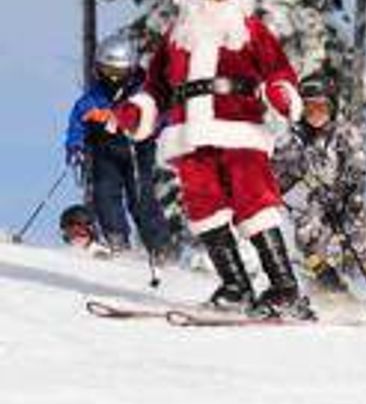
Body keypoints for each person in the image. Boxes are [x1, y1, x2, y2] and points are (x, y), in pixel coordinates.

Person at [106, 0, 313, 319]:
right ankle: (236, 287)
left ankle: (285, 290)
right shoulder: (177, 36)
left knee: (254, 204)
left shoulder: (250, 30)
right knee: (204, 208)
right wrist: (136, 111)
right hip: (189, 136)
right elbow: (156, 88)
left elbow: (277, 71)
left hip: (239, 132)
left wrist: (282, 93)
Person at [272, 70, 366, 294]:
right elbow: (278, 173)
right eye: (309, 108)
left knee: (357, 234)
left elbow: (358, 165)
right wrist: (286, 185)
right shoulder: (295, 141)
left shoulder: (344, 133)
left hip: (344, 200)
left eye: (321, 107)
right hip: (313, 202)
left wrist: (345, 192)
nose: (315, 114)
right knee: (306, 234)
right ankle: (331, 288)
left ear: (332, 107)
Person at [64, 34, 171, 255]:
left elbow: (161, 117)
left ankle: (158, 247)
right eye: (107, 71)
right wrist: (75, 147)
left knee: (141, 198)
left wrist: (146, 126)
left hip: (137, 151)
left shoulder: (143, 93)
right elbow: (77, 125)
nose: (113, 78)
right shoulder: (92, 99)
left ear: (130, 69)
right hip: (105, 152)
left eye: (118, 73)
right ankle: (117, 239)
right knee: (104, 193)